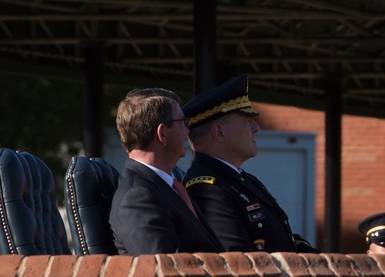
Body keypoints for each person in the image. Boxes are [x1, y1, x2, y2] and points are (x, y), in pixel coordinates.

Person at [181, 74, 318, 253]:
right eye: (247, 121)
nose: (256, 128)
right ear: (219, 132)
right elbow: (237, 265)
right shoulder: (207, 189)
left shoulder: (244, 180)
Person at [109, 88, 224, 255]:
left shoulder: (168, 185)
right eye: (183, 122)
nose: (187, 130)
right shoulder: (138, 198)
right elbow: (167, 271)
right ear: (162, 133)